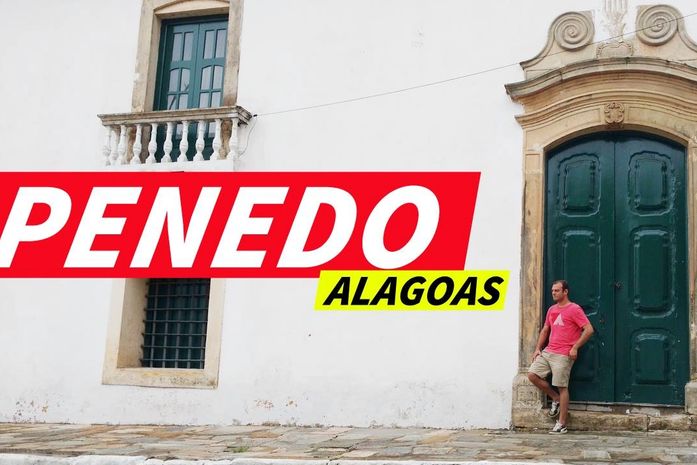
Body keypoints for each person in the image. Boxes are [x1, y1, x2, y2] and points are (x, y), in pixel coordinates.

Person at [527, 280, 594, 434]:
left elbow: (589, 329)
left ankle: (562, 424)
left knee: (562, 386)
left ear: (565, 292)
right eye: (552, 290)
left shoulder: (574, 309)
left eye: (557, 290)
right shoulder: (551, 309)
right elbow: (545, 329)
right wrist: (537, 348)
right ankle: (555, 398)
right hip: (548, 351)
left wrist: (575, 347)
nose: (553, 293)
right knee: (532, 375)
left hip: (563, 354)